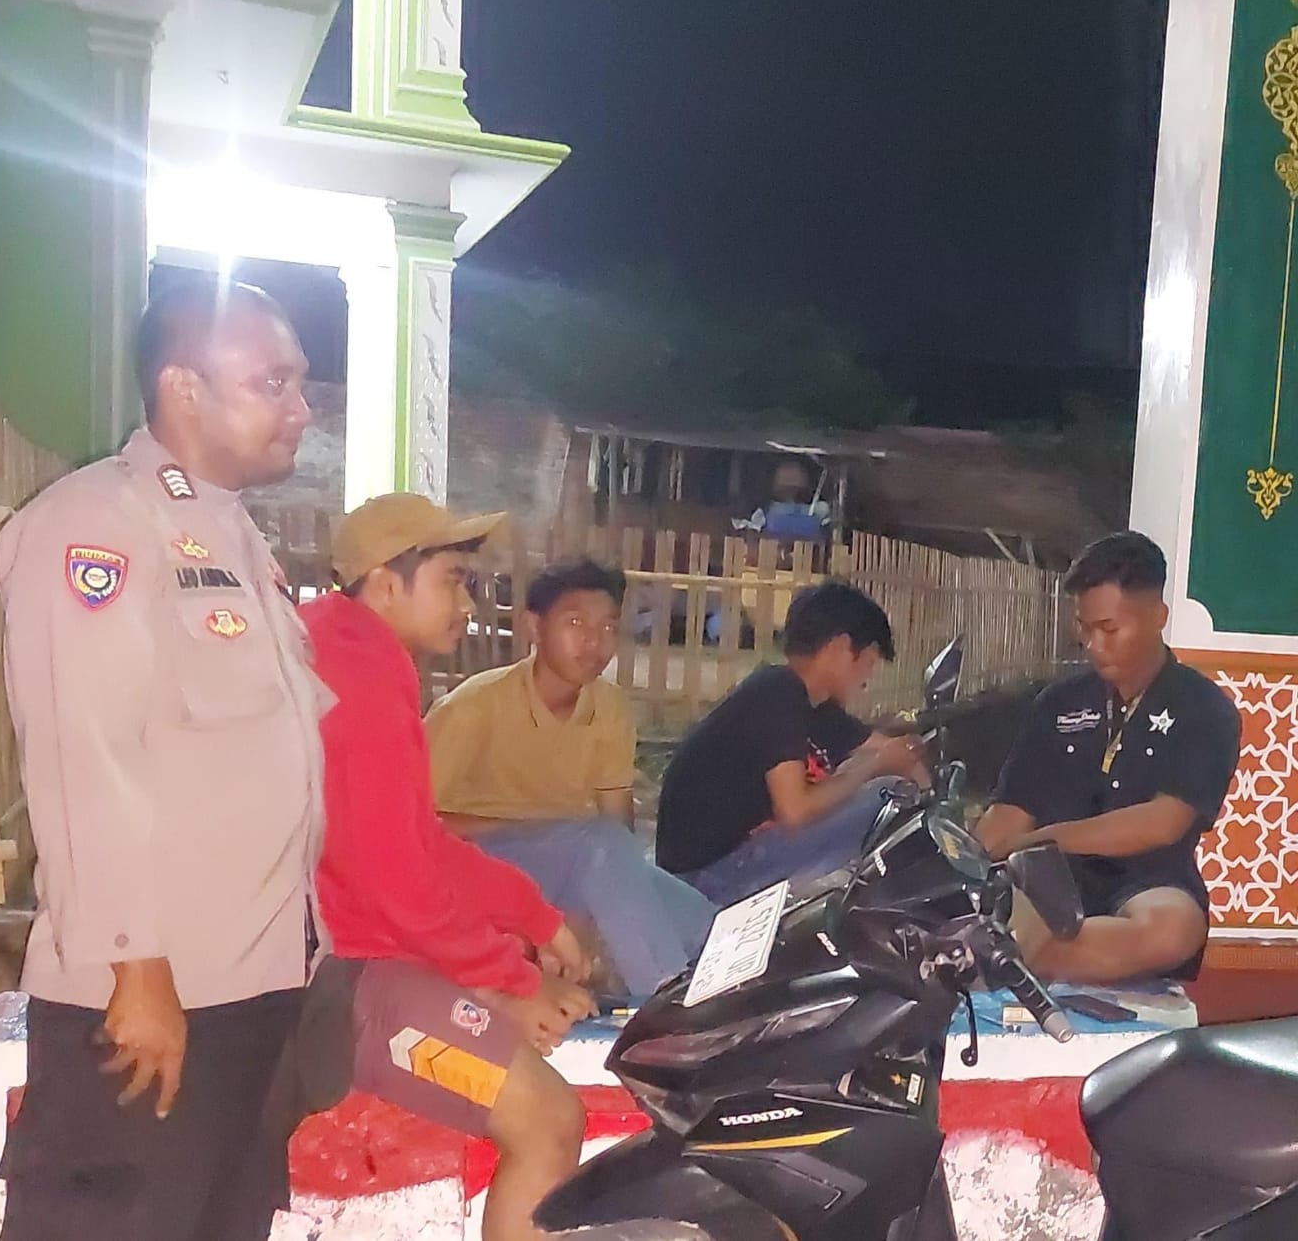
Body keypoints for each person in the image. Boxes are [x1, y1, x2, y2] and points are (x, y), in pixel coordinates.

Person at [0, 281, 329, 1241]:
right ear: (184, 387)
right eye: (273, 382)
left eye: (300, 383)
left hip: (247, 979)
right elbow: (84, 751)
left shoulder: (229, 532)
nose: (302, 409)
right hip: (151, 990)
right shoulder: (96, 524)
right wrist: (134, 968)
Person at [300, 494, 594, 1241]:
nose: (468, 603)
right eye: (452, 580)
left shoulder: (353, 653)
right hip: (343, 981)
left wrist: (534, 918)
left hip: (352, 953)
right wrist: (511, 981)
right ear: (384, 584)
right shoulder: (357, 682)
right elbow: (394, 880)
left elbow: (417, 843)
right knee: (550, 1119)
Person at [427, 558, 714, 998]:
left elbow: (618, 824)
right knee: (594, 844)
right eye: (576, 623)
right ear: (533, 626)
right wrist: (542, 833)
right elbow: (412, 827)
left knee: (705, 922)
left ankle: (729, 1009)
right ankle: (665, 1009)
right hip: (481, 863)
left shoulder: (610, 707)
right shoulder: (472, 708)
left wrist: (592, 896)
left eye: (608, 627)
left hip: (578, 857)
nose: (594, 642)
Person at [976, 532, 1241, 984]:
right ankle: (1029, 956)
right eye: (1084, 628)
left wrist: (1045, 840)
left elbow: (1162, 823)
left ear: (1157, 617)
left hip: (1149, 882)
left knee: (1173, 929)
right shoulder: (1056, 704)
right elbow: (1011, 811)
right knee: (995, 914)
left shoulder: (1204, 707)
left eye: (1110, 629)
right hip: (1045, 878)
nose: (1094, 644)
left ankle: (1032, 959)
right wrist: (967, 857)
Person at [655, 581, 927, 906]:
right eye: (868, 663)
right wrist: (873, 768)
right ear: (840, 649)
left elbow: (894, 752)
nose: (868, 679)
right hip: (705, 881)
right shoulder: (778, 692)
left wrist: (922, 780)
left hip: (736, 862)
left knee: (892, 788)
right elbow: (795, 811)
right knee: (886, 794)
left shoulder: (816, 708)